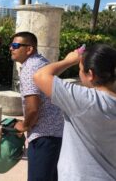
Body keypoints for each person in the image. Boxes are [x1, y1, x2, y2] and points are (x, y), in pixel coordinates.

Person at [34, 44, 116, 180]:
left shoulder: (85, 101)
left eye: (80, 69)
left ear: (90, 74)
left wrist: (69, 60)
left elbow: (40, 75)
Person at [10, 31, 64, 181]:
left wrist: (24, 125)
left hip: (43, 135)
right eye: (11, 45)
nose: (11, 48)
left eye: (15, 45)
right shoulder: (42, 62)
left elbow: (33, 108)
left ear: (29, 49)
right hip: (56, 132)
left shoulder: (29, 68)